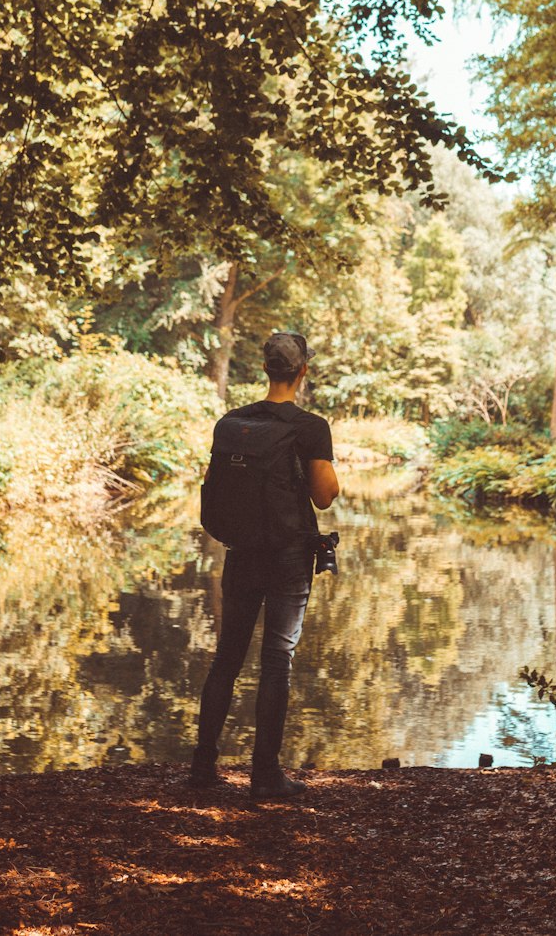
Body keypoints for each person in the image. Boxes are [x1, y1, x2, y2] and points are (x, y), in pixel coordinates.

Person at [191, 331, 340, 800]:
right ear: (302, 372)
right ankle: (265, 775)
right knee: (277, 660)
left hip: (240, 553)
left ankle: (201, 766)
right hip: (288, 556)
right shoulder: (310, 427)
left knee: (226, 659)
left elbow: (213, 484)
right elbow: (324, 495)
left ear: (265, 369)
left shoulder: (232, 423)